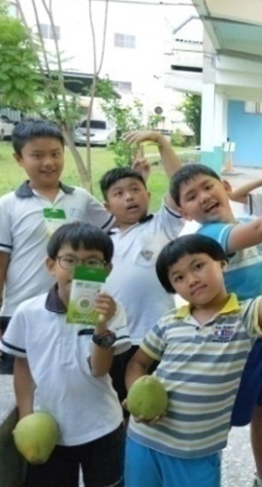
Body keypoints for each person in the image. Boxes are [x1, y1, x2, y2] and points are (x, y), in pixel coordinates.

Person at [124, 229, 262, 487]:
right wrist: (136, 396)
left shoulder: (244, 316)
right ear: (173, 287)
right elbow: (137, 363)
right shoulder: (169, 322)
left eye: (198, 266)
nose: (192, 280)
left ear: (222, 264)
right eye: (179, 277)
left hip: (197, 451)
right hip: (143, 439)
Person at [168, 163, 262, 487]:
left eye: (207, 186)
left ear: (226, 187)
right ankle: (200, 479)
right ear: (184, 212)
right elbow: (261, 231)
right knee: (219, 421)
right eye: (191, 196)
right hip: (236, 345)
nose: (203, 197)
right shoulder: (210, 238)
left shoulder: (243, 222)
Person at [0, 222, 131, 486]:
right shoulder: (28, 312)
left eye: (92, 262)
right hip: (48, 428)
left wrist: (101, 326)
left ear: (106, 270)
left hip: (102, 425)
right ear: (51, 265)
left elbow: (100, 369)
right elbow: (23, 367)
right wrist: (26, 416)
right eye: (69, 260)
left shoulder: (112, 310)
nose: (79, 270)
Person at [0, 120, 114, 374]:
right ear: (18, 159)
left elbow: (115, 229)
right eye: (37, 155)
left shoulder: (80, 198)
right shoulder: (8, 205)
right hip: (19, 312)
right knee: (19, 383)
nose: (49, 162)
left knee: (71, 380)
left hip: (75, 311)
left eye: (55, 154)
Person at [100, 130, 183, 412]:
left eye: (136, 190)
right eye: (119, 193)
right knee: (120, 406)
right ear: (107, 206)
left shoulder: (161, 225)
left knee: (158, 406)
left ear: (148, 194)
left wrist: (161, 142)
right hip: (116, 339)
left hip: (157, 335)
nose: (129, 198)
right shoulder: (101, 242)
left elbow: (181, 183)